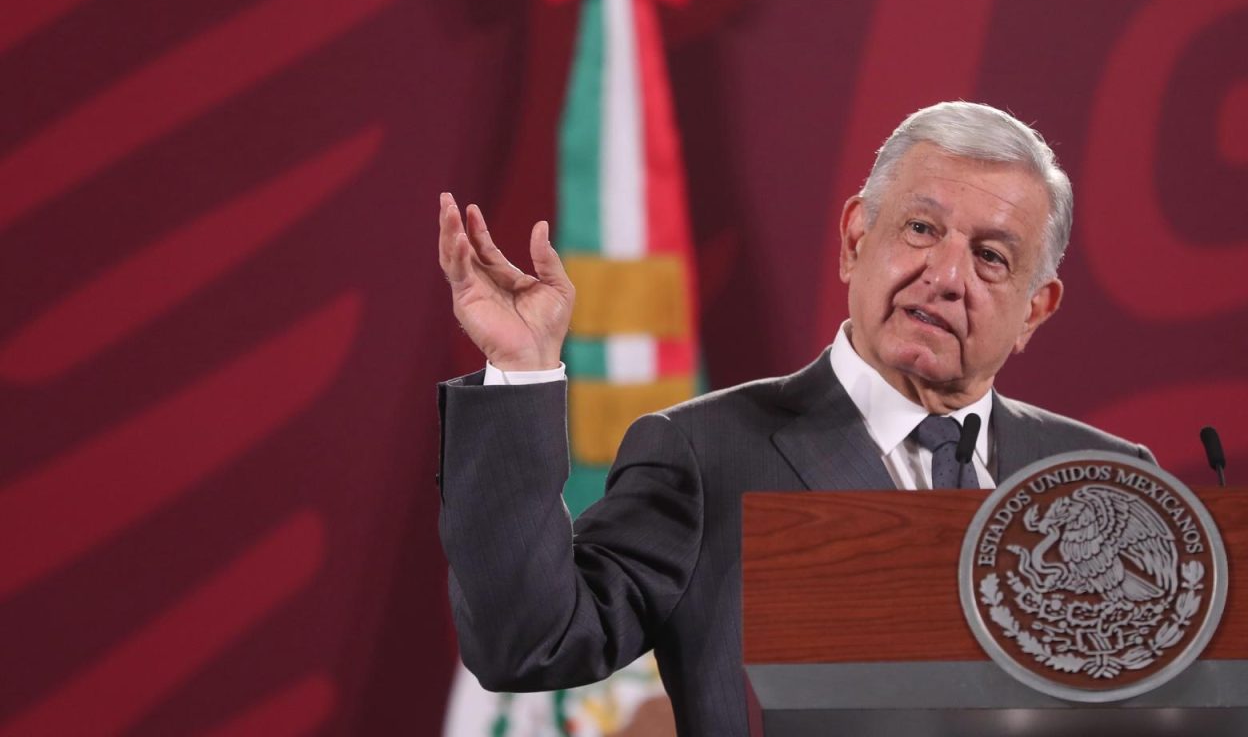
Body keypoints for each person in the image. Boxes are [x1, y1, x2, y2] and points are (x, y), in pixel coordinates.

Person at [435, 101, 1152, 737]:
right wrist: (522, 372)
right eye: (921, 227)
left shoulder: (1111, 481)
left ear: (1035, 308)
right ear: (854, 241)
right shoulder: (705, 454)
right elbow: (530, 642)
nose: (946, 275)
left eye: (991, 257)